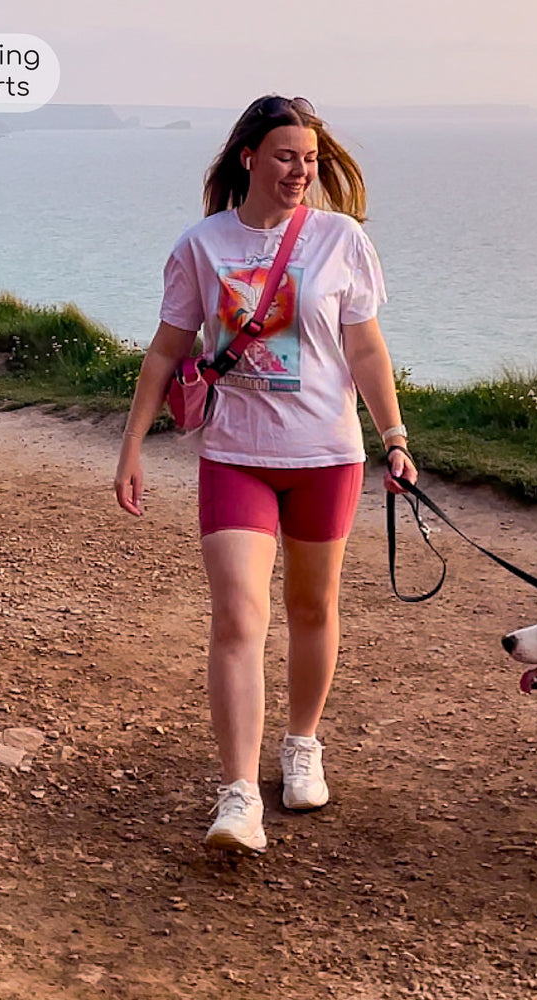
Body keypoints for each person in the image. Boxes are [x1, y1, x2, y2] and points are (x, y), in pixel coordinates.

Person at [114, 94, 416, 854]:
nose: (301, 172)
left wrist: (396, 437)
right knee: (238, 619)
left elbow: (367, 351)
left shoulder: (342, 240)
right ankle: (239, 794)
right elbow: (164, 350)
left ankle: (302, 745)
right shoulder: (201, 245)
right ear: (249, 157)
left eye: (310, 160)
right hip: (234, 455)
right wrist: (132, 446)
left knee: (312, 608)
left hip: (326, 455)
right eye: (286, 157)